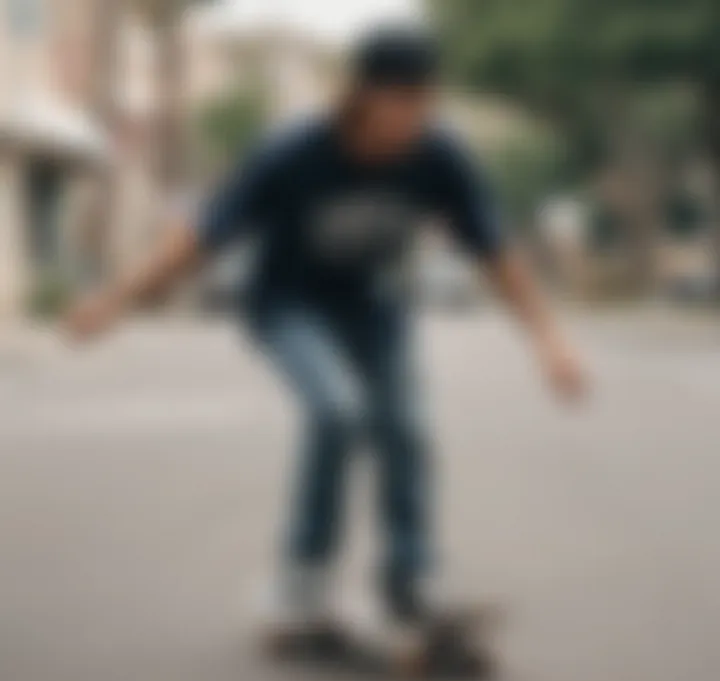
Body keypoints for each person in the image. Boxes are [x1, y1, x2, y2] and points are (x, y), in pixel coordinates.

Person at [65, 27, 586, 642]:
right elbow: (199, 238)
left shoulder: (439, 155)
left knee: (405, 426)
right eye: (399, 104)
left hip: (374, 307)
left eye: (423, 104)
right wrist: (117, 301)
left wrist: (548, 341)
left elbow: (496, 254)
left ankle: (410, 580)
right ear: (361, 97)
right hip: (286, 305)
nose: (411, 122)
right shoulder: (293, 152)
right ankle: (301, 582)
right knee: (337, 412)